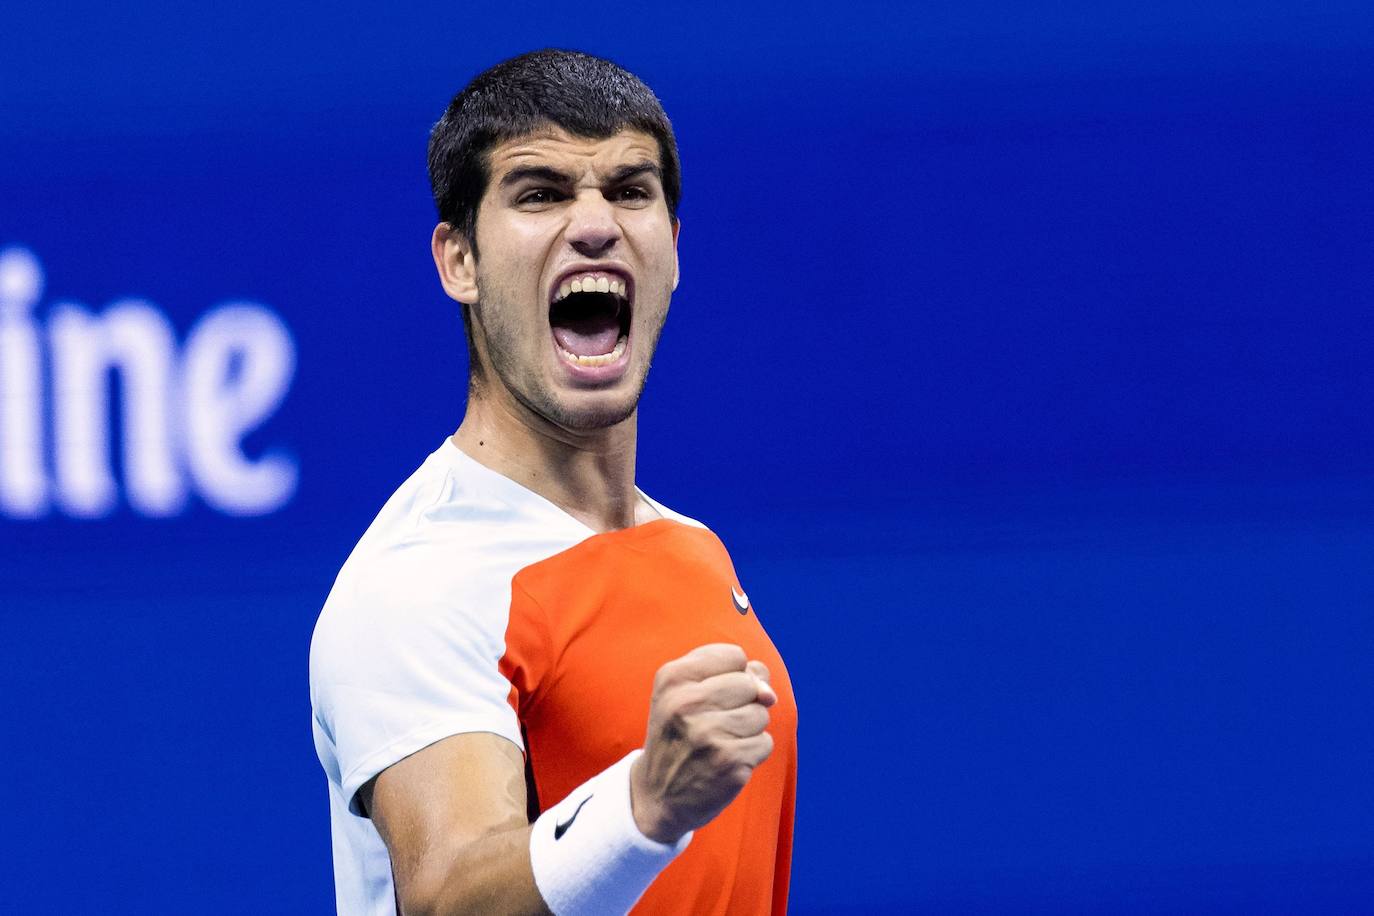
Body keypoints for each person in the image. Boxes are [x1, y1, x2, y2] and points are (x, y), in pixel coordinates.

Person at [309, 49, 797, 916]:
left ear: (673, 252)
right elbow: (450, 897)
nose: (596, 223)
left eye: (629, 189)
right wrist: (643, 803)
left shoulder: (691, 548)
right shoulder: (418, 582)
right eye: (541, 192)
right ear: (459, 262)